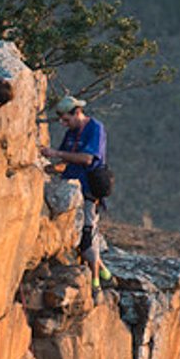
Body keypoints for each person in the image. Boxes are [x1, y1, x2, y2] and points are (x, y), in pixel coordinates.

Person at [41, 94, 113, 292]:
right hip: (71, 187)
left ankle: (97, 281)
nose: (64, 124)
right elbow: (65, 161)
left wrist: (56, 154)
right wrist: (48, 167)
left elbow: (87, 158)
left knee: (88, 234)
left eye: (66, 119)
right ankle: (105, 273)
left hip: (89, 188)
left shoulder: (95, 128)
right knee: (77, 234)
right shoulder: (72, 132)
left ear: (78, 112)